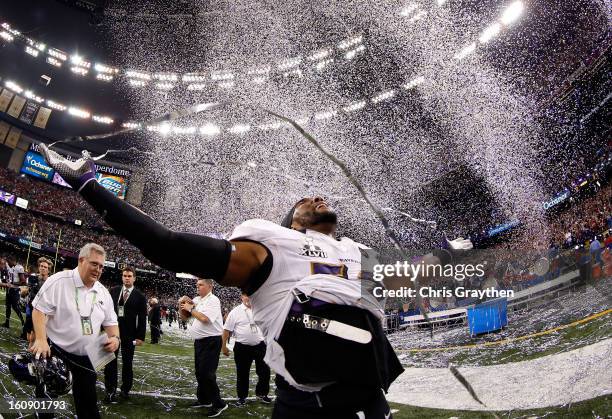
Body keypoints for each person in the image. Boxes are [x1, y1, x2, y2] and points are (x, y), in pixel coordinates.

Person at [39, 144, 474, 418]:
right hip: (307, 402)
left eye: (321, 198)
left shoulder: (355, 253)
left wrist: (448, 254)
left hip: (369, 396)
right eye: (305, 201)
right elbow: (168, 246)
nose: (318, 198)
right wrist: (89, 185)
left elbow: (406, 279)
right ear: (291, 222)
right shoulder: (273, 245)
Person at [30, 243, 120, 419]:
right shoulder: (59, 281)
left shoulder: (103, 292)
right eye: (94, 264)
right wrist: (40, 339)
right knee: (46, 403)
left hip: (88, 357)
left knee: (88, 404)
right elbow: (39, 310)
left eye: (101, 266)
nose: (98, 269)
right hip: (56, 352)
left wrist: (115, 338)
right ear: (81, 260)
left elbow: (111, 322)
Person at [180, 279, 227, 417]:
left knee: (207, 374)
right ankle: (204, 399)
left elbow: (205, 319)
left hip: (211, 341)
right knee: (199, 373)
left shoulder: (213, 300)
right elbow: (184, 318)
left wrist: (191, 308)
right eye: (197, 285)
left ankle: (219, 404)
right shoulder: (196, 300)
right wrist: (181, 304)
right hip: (200, 341)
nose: (197, 287)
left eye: (201, 285)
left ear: (210, 286)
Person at [103, 266, 147, 403]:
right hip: (112, 332)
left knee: (127, 363)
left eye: (129, 276)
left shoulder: (140, 296)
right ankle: (110, 390)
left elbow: (142, 318)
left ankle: (125, 390)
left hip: (130, 335)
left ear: (134, 278)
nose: (126, 278)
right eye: (124, 275)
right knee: (110, 362)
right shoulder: (114, 291)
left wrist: (140, 336)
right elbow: (106, 311)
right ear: (122, 277)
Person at [222, 292, 271, 406]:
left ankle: (262, 394)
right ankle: (242, 397)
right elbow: (226, 330)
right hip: (242, 347)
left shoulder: (261, 309)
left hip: (260, 345)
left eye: (250, 295)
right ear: (242, 297)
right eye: (245, 295)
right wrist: (223, 346)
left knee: (264, 372)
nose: (248, 298)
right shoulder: (235, 312)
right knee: (242, 373)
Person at [23, 257, 53, 342]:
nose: (42, 268)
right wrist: (24, 292)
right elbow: (28, 290)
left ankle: (33, 353)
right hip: (31, 307)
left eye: (45, 267)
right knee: (29, 337)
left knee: (35, 335)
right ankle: (30, 351)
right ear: (39, 267)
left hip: (43, 310)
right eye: (41, 266)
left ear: (49, 270)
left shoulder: (51, 281)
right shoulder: (32, 278)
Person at [1, 255, 26, 329]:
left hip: (15, 290)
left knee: (15, 307)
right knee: (8, 307)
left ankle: (23, 323)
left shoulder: (19, 268)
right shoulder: (9, 266)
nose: (7, 263)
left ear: (12, 261)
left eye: (9, 262)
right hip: (9, 289)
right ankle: (7, 323)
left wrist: (12, 283)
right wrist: (6, 281)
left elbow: (23, 282)